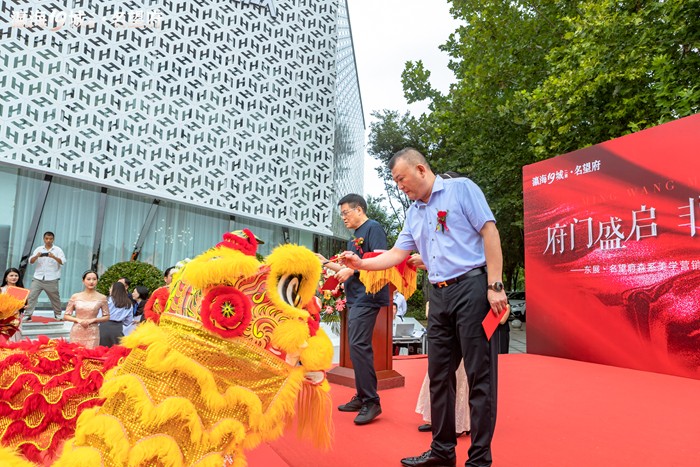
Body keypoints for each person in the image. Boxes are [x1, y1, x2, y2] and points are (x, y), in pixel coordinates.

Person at [341, 148, 509, 467]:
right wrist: (360, 264)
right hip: (440, 294)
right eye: (395, 182)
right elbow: (397, 254)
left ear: (420, 169)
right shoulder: (414, 213)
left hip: (472, 288)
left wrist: (495, 285)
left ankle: (479, 460)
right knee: (439, 376)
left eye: (401, 179)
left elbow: (490, 231)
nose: (399, 186)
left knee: (479, 376)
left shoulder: (461, 189)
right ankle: (442, 451)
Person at [315, 193, 390, 425]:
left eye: (346, 212)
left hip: (368, 296)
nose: (344, 218)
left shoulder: (373, 228)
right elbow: (349, 270)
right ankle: (362, 396)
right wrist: (326, 262)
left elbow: (381, 262)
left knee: (359, 346)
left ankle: (372, 401)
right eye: (342, 215)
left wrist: (354, 271)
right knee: (356, 348)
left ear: (359, 209)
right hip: (355, 297)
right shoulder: (353, 238)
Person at [24, 231, 67, 321]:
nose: (48, 240)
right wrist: (36, 256)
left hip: (52, 278)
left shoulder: (58, 250)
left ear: (53, 239)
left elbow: (62, 262)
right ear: (43, 239)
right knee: (31, 296)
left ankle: (58, 314)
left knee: (55, 298)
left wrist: (54, 257)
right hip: (38, 278)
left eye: (50, 239)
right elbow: (31, 261)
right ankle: (28, 315)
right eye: (46, 238)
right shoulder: (39, 249)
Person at [64, 271, 110, 348]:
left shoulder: (102, 297)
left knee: (91, 353)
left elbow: (107, 316)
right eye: (88, 279)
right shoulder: (75, 296)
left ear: (97, 281)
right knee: (75, 352)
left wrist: (94, 320)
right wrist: (78, 320)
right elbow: (66, 316)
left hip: (93, 331)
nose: (91, 282)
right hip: (77, 330)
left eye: (94, 279)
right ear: (83, 281)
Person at [99, 281, 134, 347]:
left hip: (104, 327)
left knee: (101, 349)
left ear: (114, 290)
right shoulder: (129, 304)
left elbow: (99, 315)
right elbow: (128, 321)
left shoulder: (107, 300)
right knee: (115, 350)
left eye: (111, 288)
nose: (109, 289)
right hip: (118, 329)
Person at [1, 268, 27, 342]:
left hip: (17, 317)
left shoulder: (22, 290)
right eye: (11, 275)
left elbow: (24, 304)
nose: (14, 277)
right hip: (4, 318)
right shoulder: (1, 289)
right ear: (6, 278)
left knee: (16, 337)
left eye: (16, 275)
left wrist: (24, 307)